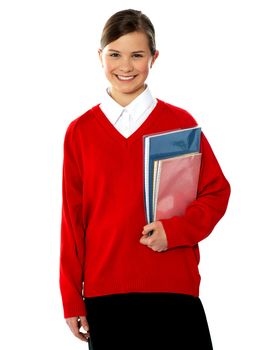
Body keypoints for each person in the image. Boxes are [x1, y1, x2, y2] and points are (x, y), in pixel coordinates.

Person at [59, 9, 231, 350]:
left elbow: (216, 192)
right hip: (104, 295)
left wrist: (177, 231)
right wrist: (70, 297)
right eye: (115, 54)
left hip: (173, 289)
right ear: (100, 56)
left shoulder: (180, 123)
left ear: (154, 57)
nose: (125, 66)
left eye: (137, 55)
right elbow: (72, 219)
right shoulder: (80, 132)